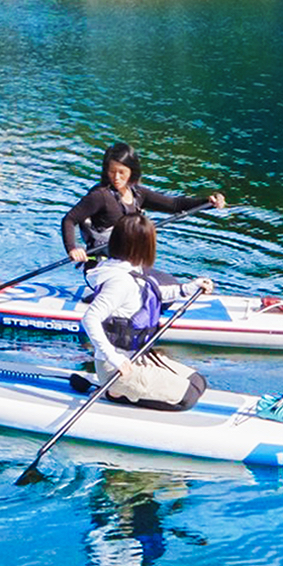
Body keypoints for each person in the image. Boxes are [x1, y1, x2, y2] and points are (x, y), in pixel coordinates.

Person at [77, 211, 205, 409]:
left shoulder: (130, 269)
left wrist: (188, 288)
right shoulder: (119, 281)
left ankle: (126, 390)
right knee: (187, 398)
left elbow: (151, 293)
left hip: (138, 356)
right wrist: (114, 357)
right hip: (116, 368)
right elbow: (90, 318)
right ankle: (114, 393)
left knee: (198, 383)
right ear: (142, 246)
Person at [62, 141, 225, 269]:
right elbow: (69, 219)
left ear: (132, 171)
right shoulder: (99, 196)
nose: (116, 177)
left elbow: (175, 204)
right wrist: (73, 249)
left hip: (131, 266)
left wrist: (207, 202)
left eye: (122, 172)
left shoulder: (138, 194)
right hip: (101, 269)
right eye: (111, 172)